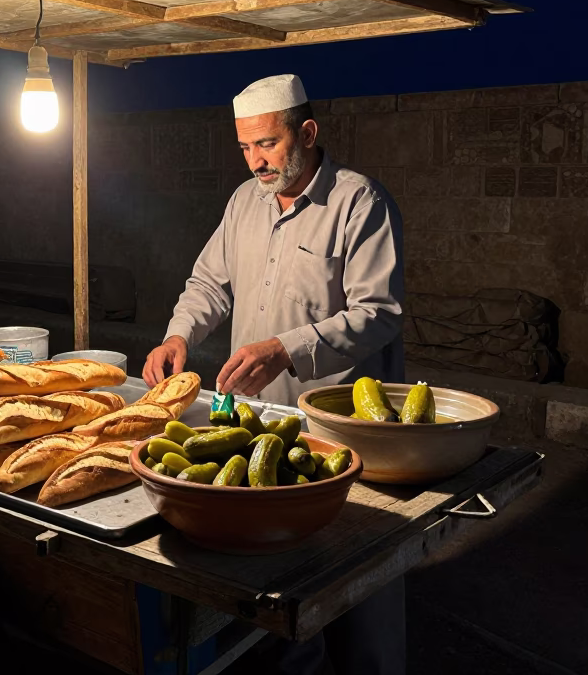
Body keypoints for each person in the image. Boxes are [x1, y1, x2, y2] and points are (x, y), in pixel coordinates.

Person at [143, 73, 406, 675]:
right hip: (265, 426)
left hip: (343, 429)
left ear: (307, 132)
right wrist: (179, 334)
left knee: (361, 588)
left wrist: (287, 350)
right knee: (283, 589)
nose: (256, 161)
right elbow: (209, 283)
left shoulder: (359, 202)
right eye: (245, 147)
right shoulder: (244, 203)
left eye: (267, 144)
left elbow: (378, 313)